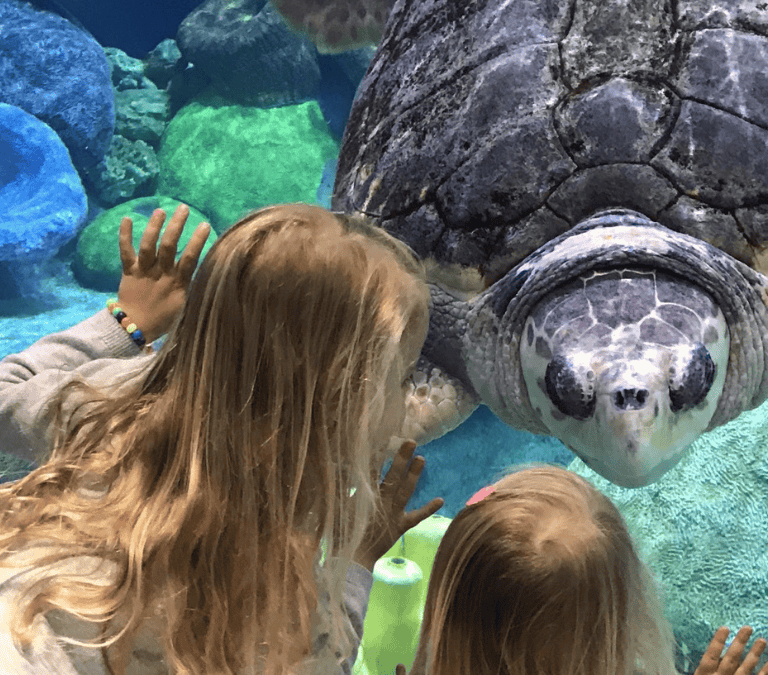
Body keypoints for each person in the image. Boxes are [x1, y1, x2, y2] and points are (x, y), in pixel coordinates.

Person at [0, 204, 763, 675]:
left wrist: (124, 326)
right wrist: (357, 563)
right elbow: (326, 647)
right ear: (344, 402)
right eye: (404, 374)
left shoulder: (105, 403)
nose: (411, 393)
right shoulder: (285, 621)